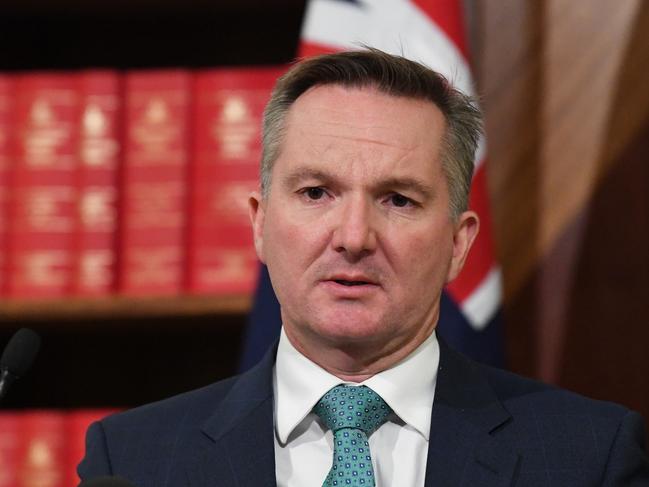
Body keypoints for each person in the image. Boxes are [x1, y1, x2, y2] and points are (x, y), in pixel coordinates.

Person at [78, 49, 649, 487]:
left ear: (457, 242)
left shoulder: (588, 456)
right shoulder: (133, 460)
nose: (353, 238)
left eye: (398, 199)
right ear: (259, 222)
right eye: (316, 192)